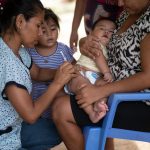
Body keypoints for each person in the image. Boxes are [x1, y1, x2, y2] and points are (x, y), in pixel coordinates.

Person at [52, 0, 150, 150]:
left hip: (139, 101)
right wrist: (85, 41)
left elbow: (148, 77)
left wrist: (100, 91)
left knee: (61, 109)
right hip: (112, 88)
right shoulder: (128, 13)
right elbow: (107, 43)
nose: (120, 3)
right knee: (60, 94)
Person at [0, 0, 75, 149]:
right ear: (20, 21)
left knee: (58, 127)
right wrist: (58, 83)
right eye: (38, 25)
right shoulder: (7, 64)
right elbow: (31, 115)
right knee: (61, 125)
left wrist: (62, 71)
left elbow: (38, 73)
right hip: (6, 138)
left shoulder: (17, 51)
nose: (41, 32)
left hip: (15, 127)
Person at [65, 18, 116, 123]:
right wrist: (106, 72)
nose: (106, 32)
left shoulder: (110, 48)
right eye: (102, 28)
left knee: (106, 87)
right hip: (80, 73)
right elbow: (98, 56)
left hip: (95, 77)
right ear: (91, 33)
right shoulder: (94, 43)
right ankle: (91, 113)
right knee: (83, 87)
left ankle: (99, 104)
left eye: (111, 31)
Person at [27, 8, 75, 119]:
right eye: (44, 31)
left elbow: (75, 68)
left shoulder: (63, 49)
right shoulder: (29, 51)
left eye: (53, 29)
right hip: (37, 105)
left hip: (60, 105)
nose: (49, 34)